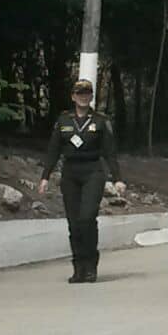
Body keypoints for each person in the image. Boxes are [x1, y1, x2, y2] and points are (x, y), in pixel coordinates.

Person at [39, 79, 126, 284]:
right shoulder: (64, 121)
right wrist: (45, 176)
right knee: (74, 223)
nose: (83, 97)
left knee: (87, 218)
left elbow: (110, 153)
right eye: (79, 94)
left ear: (91, 96)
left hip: (93, 171)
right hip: (70, 173)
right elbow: (53, 150)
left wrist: (118, 178)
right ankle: (78, 267)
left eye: (87, 94)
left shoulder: (100, 121)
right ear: (73, 97)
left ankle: (90, 266)